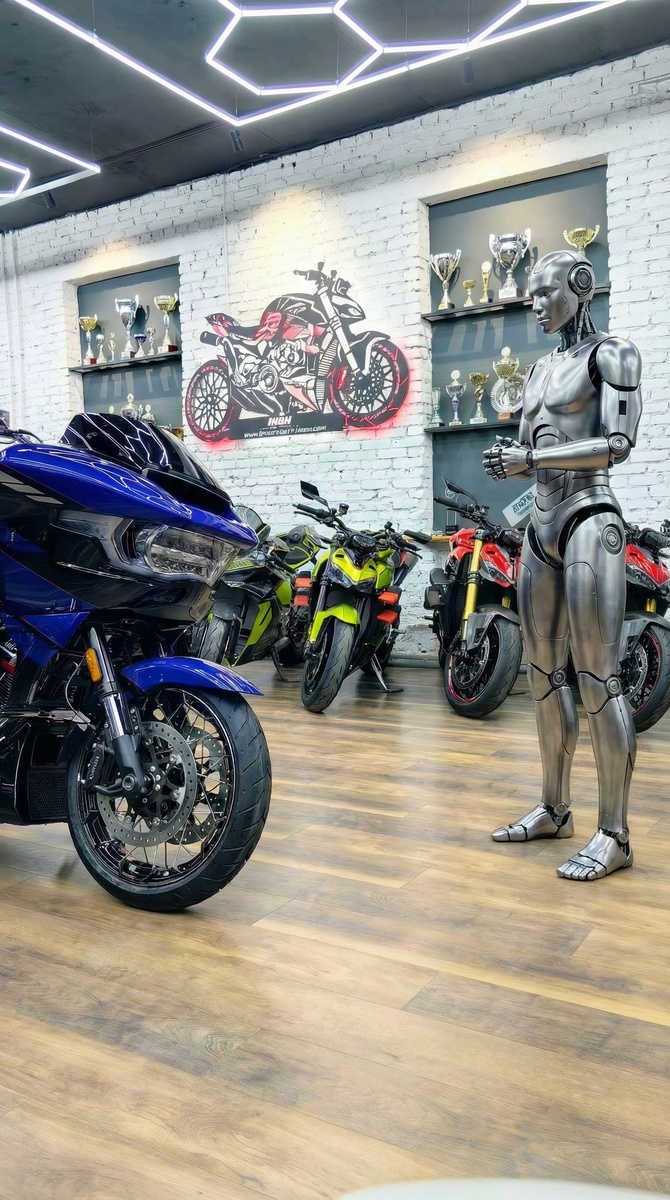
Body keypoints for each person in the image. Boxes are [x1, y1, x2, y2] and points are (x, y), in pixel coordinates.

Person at [482, 249, 642, 880]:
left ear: (581, 287)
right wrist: (512, 458)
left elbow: (618, 443)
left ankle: (615, 833)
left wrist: (531, 461)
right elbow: (533, 445)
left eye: (547, 292)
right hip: (541, 524)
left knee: (599, 678)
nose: (537, 305)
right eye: (532, 295)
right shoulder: (539, 369)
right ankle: (554, 807)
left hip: (590, 517)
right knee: (542, 675)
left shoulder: (614, 353)